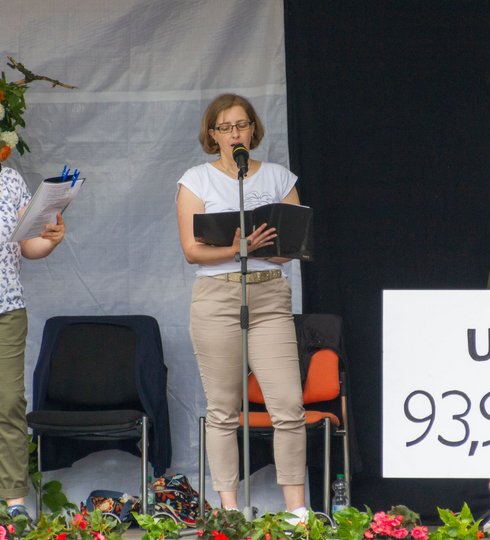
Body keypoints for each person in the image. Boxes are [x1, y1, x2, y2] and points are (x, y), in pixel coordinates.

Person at [176, 94, 307, 519]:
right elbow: (192, 251)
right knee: (223, 409)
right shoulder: (196, 180)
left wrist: (271, 247)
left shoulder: (278, 178)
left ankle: (296, 512)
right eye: (226, 127)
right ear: (212, 135)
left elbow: (295, 244)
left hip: (269, 294)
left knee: (287, 404)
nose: (236, 133)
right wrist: (237, 249)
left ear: (253, 130)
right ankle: (229, 510)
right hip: (218, 298)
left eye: (242, 125)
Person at [0, 163, 66, 520]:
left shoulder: (9, 180)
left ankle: (14, 501)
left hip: (6, 307)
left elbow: (29, 245)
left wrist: (50, 238)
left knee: (9, 401)